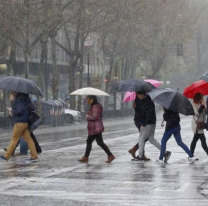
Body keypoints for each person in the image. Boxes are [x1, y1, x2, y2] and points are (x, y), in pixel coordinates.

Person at [0, 91, 38, 162]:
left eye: (12, 92)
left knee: (14, 139)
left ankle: (6, 156)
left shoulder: (20, 99)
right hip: (25, 122)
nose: (11, 93)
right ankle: (34, 156)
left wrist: (12, 109)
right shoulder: (25, 98)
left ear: (16, 91)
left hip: (20, 122)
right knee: (28, 139)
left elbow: (19, 111)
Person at [78, 95, 115, 163]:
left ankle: (86, 157)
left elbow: (95, 117)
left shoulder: (96, 106)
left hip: (95, 128)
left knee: (93, 142)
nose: (87, 101)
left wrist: (88, 117)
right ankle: (110, 155)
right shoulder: (94, 106)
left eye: (88, 99)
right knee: (98, 142)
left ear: (92, 99)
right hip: (94, 128)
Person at [135, 91, 171, 162]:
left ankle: (140, 156)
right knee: (151, 140)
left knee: (141, 139)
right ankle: (165, 152)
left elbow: (148, 114)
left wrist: (144, 124)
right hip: (152, 123)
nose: (138, 97)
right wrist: (136, 107)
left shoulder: (147, 102)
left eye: (138, 95)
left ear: (142, 94)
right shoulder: (147, 100)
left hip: (148, 124)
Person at [128, 95, 150, 161]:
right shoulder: (139, 98)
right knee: (144, 137)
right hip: (140, 121)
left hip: (142, 121)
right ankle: (135, 150)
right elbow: (140, 111)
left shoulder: (143, 98)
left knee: (143, 137)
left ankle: (140, 153)